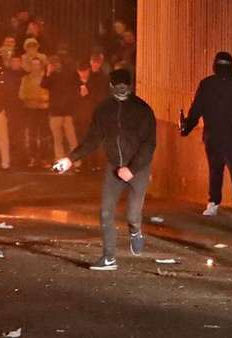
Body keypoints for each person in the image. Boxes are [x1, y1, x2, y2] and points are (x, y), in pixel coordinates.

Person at [54, 69, 157, 271]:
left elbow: (149, 144)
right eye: (117, 86)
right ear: (111, 87)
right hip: (114, 167)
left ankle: (135, 231)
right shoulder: (103, 109)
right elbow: (92, 139)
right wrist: (70, 159)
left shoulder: (143, 110)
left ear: (131, 86)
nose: (121, 90)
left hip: (138, 169)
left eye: (124, 86)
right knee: (106, 212)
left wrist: (133, 168)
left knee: (132, 215)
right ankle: (109, 257)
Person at [181, 51, 232, 216]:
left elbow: (196, 109)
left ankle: (213, 202)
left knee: (215, 169)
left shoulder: (207, 84)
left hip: (212, 135)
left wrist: (187, 126)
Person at [41, 55, 79, 166]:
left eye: (56, 63)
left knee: (72, 138)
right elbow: (43, 85)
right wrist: (48, 73)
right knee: (57, 140)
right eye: (52, 64)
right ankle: (59, 161)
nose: (55, 65)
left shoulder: (67, 74)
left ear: (60, 63)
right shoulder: (50, 75)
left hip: (67, 112)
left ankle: (76, 162)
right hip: (55, 112)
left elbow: (73, 88)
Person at [19, 57, 50, 168]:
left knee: (44, 135)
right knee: (31, 134)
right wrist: (35, 98)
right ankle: (33, 157)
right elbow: (21, 95)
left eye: (37, 64)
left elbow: (49, 94)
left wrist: (41, 98)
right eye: (33, 64)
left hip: (44, 110)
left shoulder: (46, 78)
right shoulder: (25, 79)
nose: (35, 67)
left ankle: (44, 158)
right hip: (31, 110)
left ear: (41, 65)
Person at [2, 55, 27, 167]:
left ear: (21, 63)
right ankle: (11, 157)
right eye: (14, 61)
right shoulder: (6, 75)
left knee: (21, 134)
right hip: (10, 108)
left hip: (22, 108)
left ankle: (22, 158)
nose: (15, 64)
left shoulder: (25, 75)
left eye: (18, 61)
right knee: (10, 133)